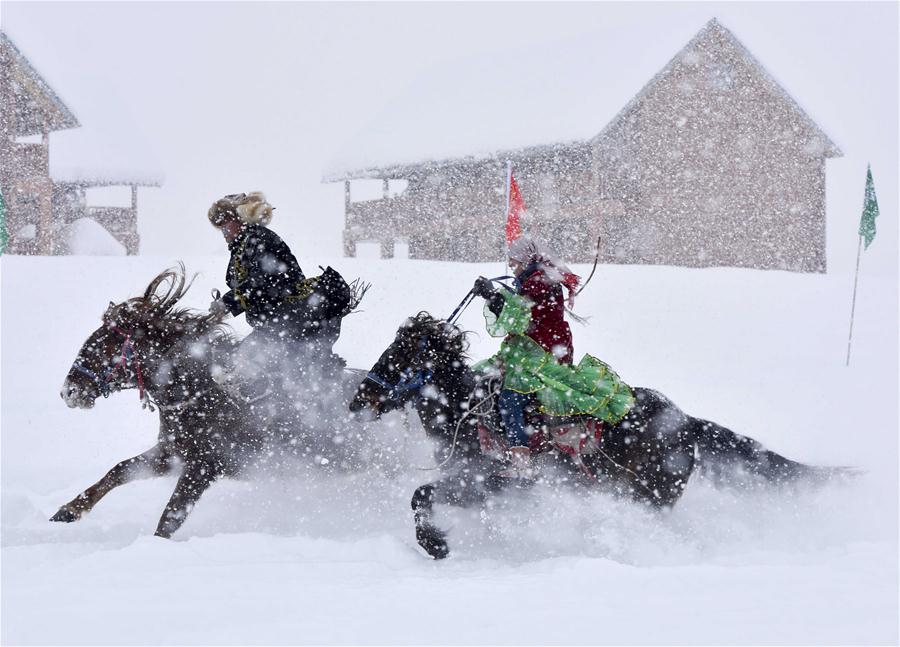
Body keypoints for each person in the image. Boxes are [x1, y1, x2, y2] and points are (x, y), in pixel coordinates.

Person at [208, 192, 347, 400]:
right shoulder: (244, 244)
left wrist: (228, 303)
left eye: (225, 223)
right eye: (220, 225)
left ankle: (269, 410)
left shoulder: (259, 239)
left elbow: (263, 283)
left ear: (240, 218)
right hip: (274, 326)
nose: (223, 230)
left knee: (248, 364)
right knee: (238, 362)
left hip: (290, 324)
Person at [472, 235, 580, 478]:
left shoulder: (539, 281)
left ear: (525, 258)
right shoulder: (537, 279)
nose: (512, 266)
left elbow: (519, 318)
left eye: (514, 262)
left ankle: (521, 464)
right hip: (537, 351)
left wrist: (494, 297)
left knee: (511, 397)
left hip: (543, 356)